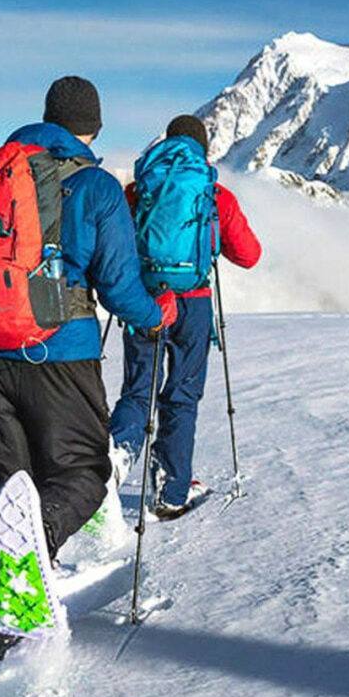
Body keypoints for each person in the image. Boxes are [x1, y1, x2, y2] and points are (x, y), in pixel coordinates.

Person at [0, 77, 176, 664]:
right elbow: (119, 283)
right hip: (61, 355)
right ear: (92, 127)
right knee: (83, 475)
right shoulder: (94, 185)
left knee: (8, 491)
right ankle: (27, 565)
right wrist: (155, 317)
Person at [109, 114, 261, 517]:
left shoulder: (139, 190)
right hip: (193, 305)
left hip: (146, 302)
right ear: (203, 148)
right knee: (181, 394)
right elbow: (249, 255)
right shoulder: (213, 194)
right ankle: (172, 490)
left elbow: (118, 244)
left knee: (138, 390)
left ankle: (113, 461)